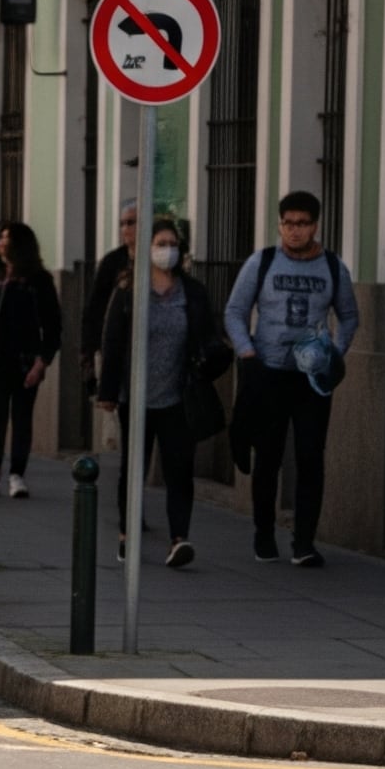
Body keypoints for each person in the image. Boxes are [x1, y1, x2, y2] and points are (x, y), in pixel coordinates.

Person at [223, 189, 360, 567]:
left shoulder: (333, 268)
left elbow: (349, 315)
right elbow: (234, 311)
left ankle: (304, 542)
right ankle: (264, 534)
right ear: (279, 224)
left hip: (311, 380)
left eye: (302, 224)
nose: (294, 231)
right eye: (288, 223)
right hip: (267, 372)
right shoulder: (262, 262)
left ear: (315, 225)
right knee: (267, 457)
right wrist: (247, 352)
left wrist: (334, 353)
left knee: (311, 457)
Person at [98, 216, 227, 570]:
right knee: (132, 468)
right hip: (135, 397)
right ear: (146, 249)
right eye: (160, 244)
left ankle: (179, 538)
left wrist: (211, 361)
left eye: (172, 244)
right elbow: (112, 342)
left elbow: (207, 335)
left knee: (179, 469)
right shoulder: (128, 290)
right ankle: (127, 535)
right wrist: (107, 391)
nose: (166, 251)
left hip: (177, 395)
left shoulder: (192, 292)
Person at [0, 220, 60, 496]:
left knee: (22, 417)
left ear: (21, 245)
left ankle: (17, 474)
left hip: (25, 359)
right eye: (0, 237)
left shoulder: (39, 281)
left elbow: (53, 325)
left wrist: (42, 362)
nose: (1, 241)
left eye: (7, 237)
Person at [81, 203, 139, 391]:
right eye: (122, 224)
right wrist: (88, 348)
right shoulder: (112, 261)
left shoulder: (154, 259)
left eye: (131, 222)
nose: (125, 229)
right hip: (113, 344)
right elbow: (95, 304)